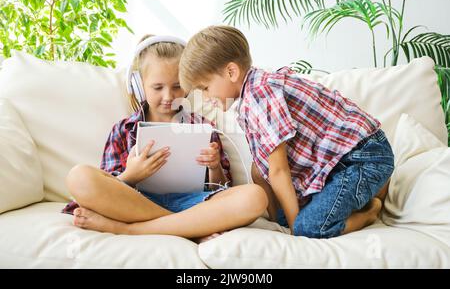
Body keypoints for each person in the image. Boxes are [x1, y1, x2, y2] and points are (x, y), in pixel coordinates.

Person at [178, 25, 395, 238]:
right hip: (338, 164)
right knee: (258, 170)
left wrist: (296, 230)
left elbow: (279, 170)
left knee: (307, 228)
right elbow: (267, 167)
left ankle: (370, 210)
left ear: (231, 72)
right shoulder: (252, 92)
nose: (205, 97)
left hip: (363, 158)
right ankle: (294, 219)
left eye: (205, 88)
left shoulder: (260, 96)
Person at [62, 34, 268, 242]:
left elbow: (223, 189)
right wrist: (130, 176)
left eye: (177, 86)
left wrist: (215, 168)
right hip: (136, 204)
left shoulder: (202, 127)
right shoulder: (123, 129)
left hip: (194, 204)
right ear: (139, 85)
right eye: (158, 87)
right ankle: (190, 229)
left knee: (255, 196)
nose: (169, 96)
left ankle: (127, 230)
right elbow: (106, 186)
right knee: (79, 176)